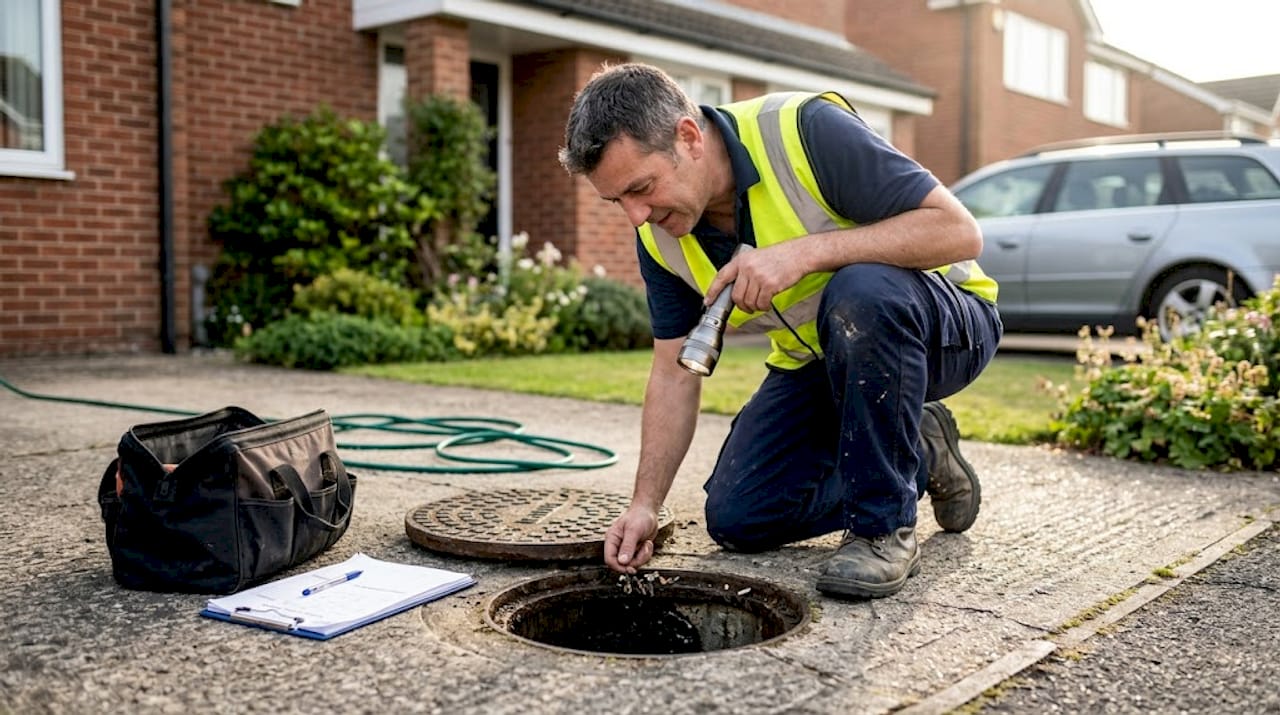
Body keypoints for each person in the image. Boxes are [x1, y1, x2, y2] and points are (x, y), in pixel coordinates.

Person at [558, 63, 1002, 599]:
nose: (635, 215)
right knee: (741, 517)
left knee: (861, 289)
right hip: (819, 358)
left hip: (944, 325)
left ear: (689, 136)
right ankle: (919, 448)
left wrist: (804, 255)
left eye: (642, 188)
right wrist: (644, 505)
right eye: (617, 201)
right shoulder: (660, 237)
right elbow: (673, 373)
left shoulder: (804, 130)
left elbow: (959, 231)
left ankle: (882, 528)